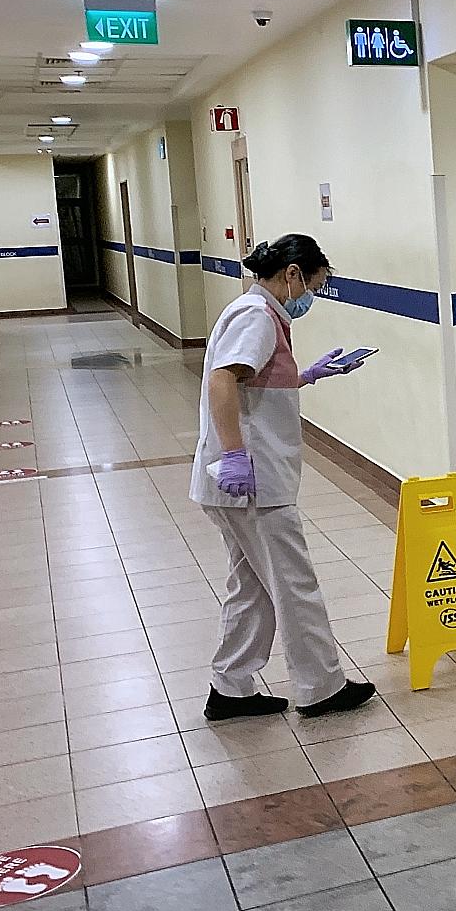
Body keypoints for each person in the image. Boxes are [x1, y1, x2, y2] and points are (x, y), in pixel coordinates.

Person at [189, 234, 378, 721]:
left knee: (251, 587)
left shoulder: (259, 313)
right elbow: (223, 378)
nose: (308, 297)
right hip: (253, 482)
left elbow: (255, 380)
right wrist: (234, 455)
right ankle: (321, 687)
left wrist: (308, 375)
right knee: (294, 584)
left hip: (247, 482)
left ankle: (230, 687)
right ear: (292, 274)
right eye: (312, 285)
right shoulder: (256, 315)